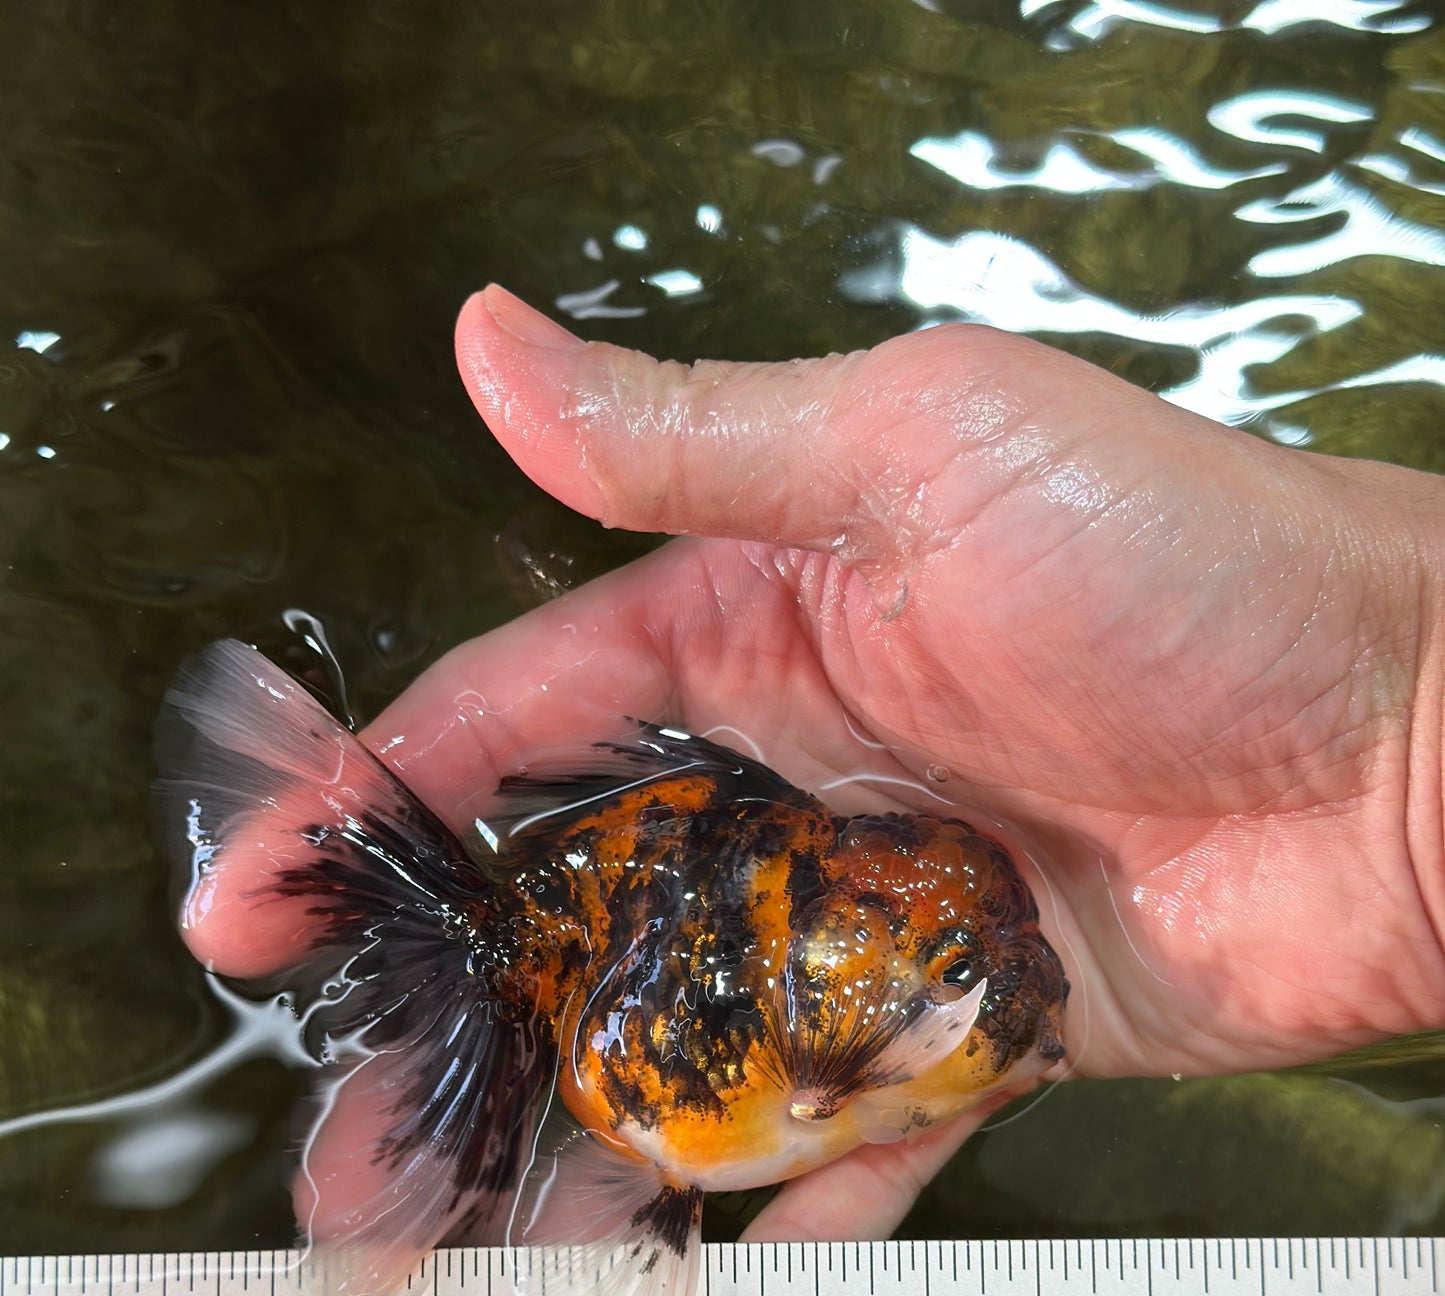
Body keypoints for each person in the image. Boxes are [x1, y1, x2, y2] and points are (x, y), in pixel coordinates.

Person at [184, 284, 1445, 1244]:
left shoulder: (898, 1024)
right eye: (963, 967)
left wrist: (1404, 684)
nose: (1011, 984)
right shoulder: (847, 1047)